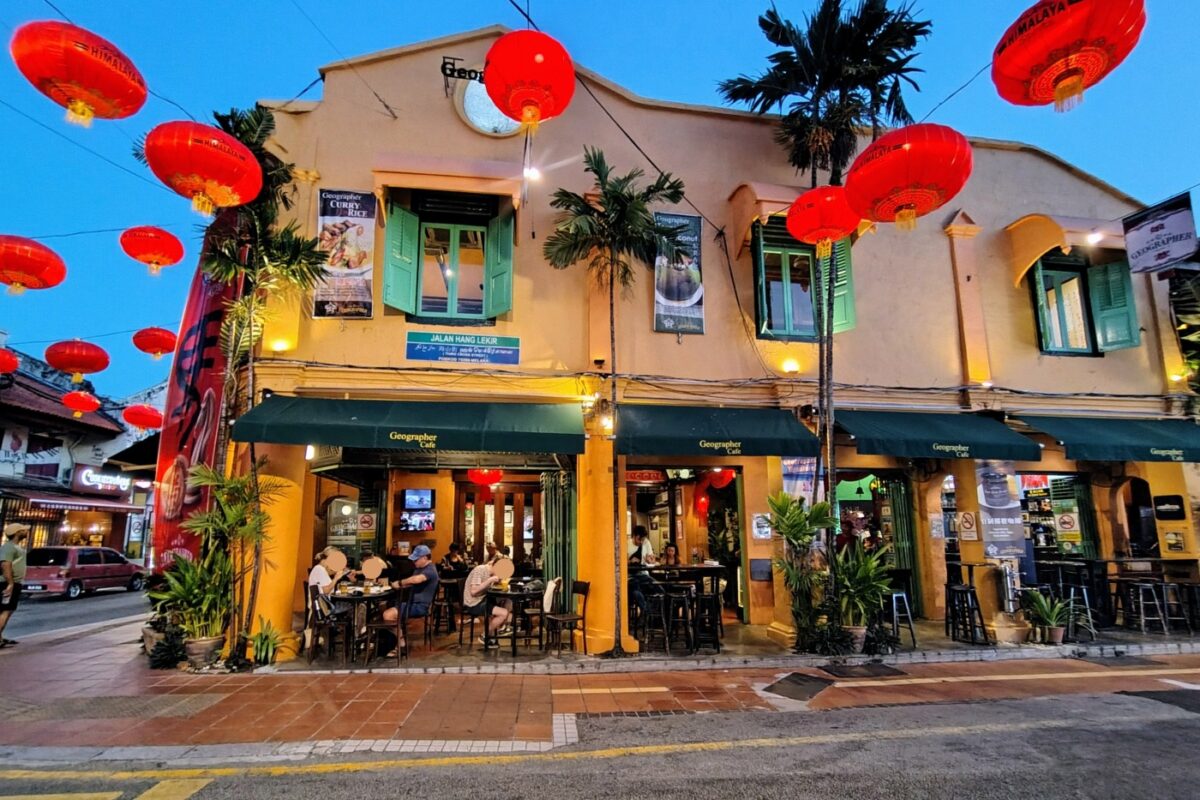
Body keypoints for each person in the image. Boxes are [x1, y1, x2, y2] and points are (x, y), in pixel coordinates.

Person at [381, 545, 440, 652]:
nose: (414, 562)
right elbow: (411, 582)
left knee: (388, 615)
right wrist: (397, 585)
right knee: (383, 608)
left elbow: (416, 580)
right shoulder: (419, 568)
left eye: (416, 559)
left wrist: (400, 583)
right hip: (411, 602)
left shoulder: (430, 570)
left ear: (425, 558)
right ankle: (386, 641)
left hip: (420, 606)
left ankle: (401, 642)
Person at [462, 556, 512, 648]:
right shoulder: (480, 570)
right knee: (503, 613)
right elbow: (473, 592)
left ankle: (502, 628)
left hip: (484, 599)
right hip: (474, 603)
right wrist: (490, 580)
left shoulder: (492, 574)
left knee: (508, 601)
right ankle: (485, 636)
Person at [0, 523, 30, 648]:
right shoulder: (9, 547)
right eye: (23, 530)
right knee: (5, 611)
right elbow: (5, 565)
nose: (26, 532)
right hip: (7, 583)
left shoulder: (15, 547)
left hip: (13, 583)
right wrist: (10, 583)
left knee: (7, 610)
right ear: (17, 533)